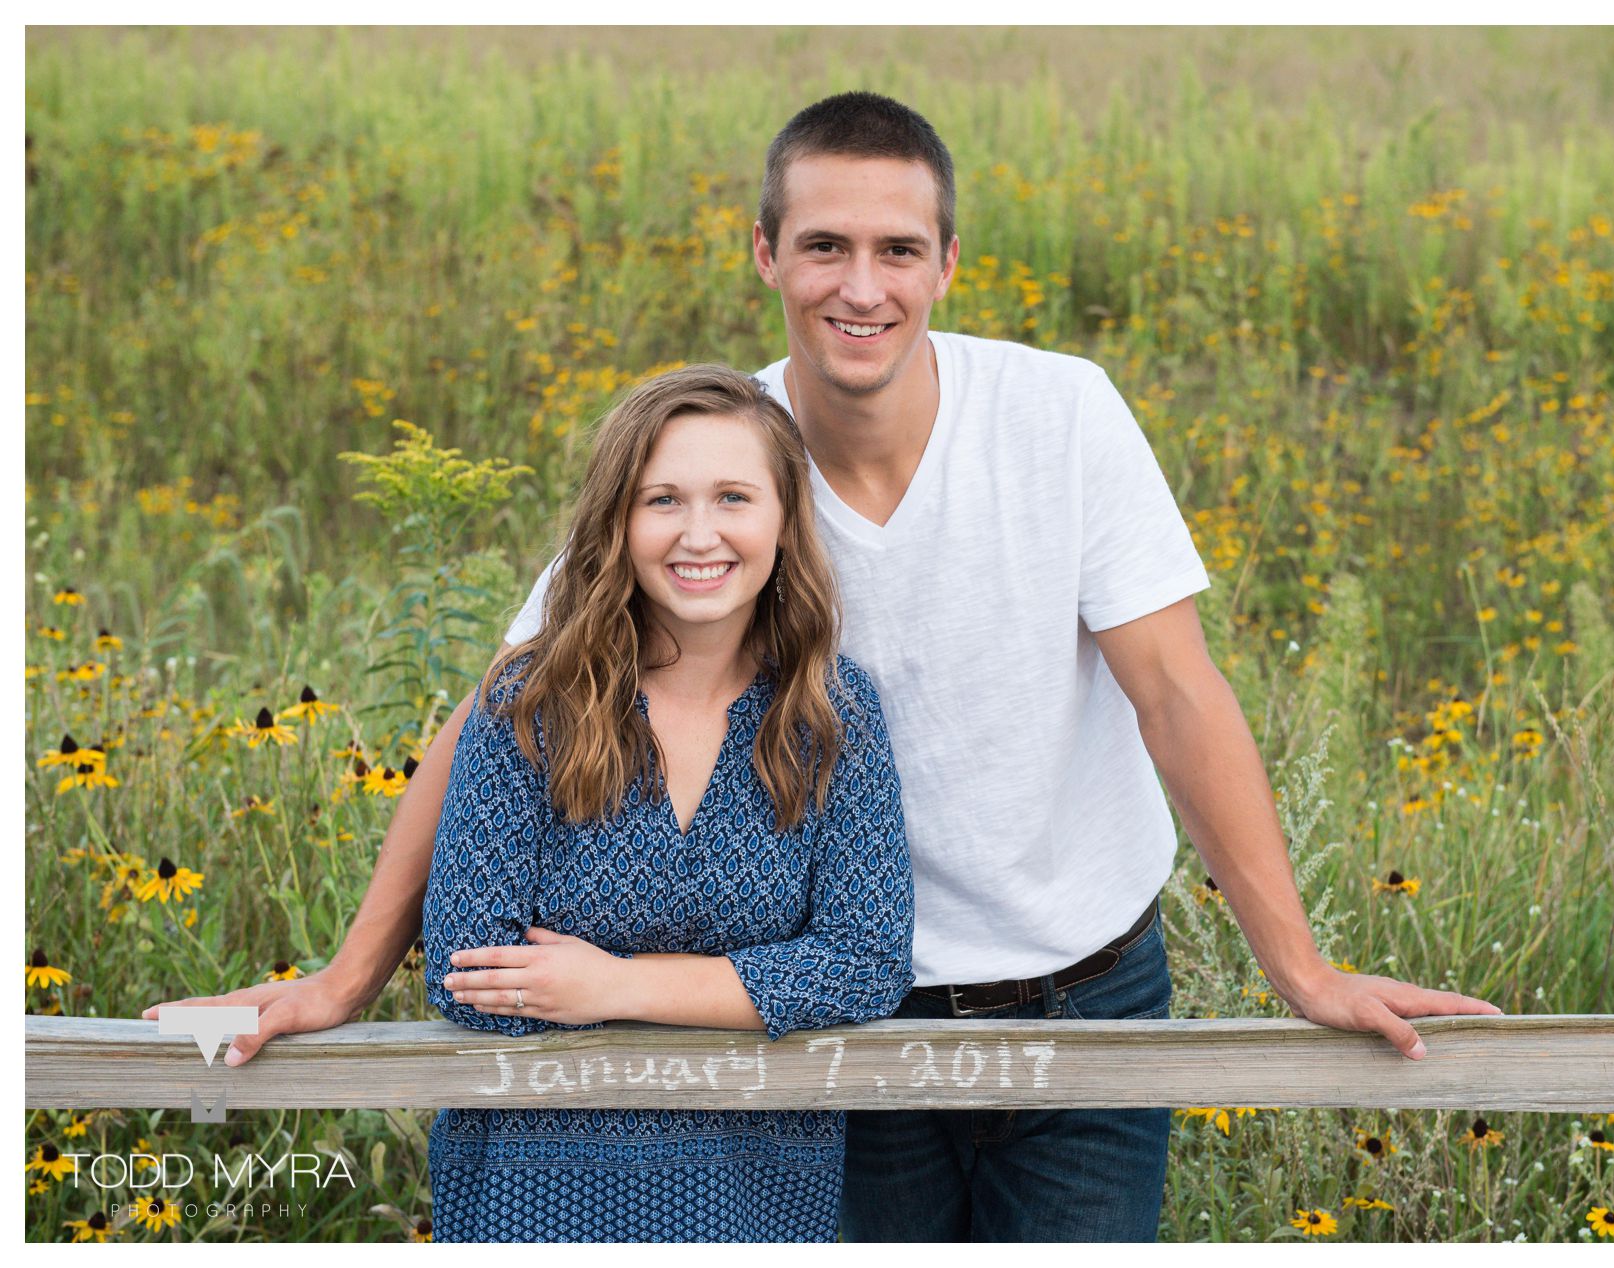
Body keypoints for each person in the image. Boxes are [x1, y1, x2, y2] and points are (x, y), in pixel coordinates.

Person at [149, 91, 1500, 1243]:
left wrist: (1303, 972)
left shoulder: (1060, 414)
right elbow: (503, 705)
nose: (864, 285)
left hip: (1085, 975)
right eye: (825, 246)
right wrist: (342, 977)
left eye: (898, 248)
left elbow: (1177, 694)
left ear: (949, 263)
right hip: (841, 1016)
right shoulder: (719, 468)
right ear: (765, 254)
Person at [409, 364, 907, 1240]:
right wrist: (755, 987)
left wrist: (607, 984)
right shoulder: (532, 699)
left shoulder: (832, 712)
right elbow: (468, 967)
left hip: (759, 1191)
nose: (700, 534)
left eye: (734, 499)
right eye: (663, 500)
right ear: (618, 521)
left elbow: (866, 963)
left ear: (785, 521)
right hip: (534, 1182)